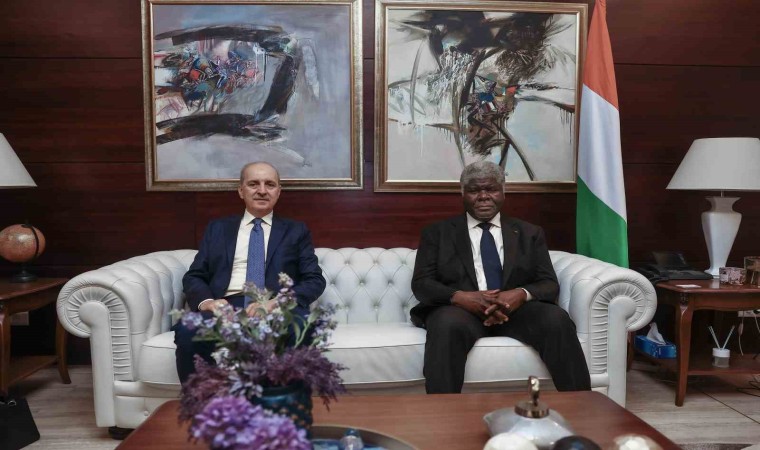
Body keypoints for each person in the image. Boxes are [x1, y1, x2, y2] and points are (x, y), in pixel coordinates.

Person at [411, 160, 590, 394]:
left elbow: (548, 283)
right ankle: (442, 410)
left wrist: (520, 294)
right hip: (461, 312)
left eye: (491, 189)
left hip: (516, 312)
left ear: (503, 192)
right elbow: (422, 284)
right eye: (474, 190)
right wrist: (460, 297)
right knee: (445, 324)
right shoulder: (437, 233)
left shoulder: (529, 233)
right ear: (462, 194)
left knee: (556, 319)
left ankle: (581, 404)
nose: (483, 197)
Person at [175, 162, 326, 382]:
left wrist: (277, 303)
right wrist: (208, 303)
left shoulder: (296, 231)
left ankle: (287, 398)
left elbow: (314, 280)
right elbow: (194, 276)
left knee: (301, 326)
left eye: (270, 184)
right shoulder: (218, 228)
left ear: (278, 191)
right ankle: (201, 399)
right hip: (226, 307)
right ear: (241, 190)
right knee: (188, 330)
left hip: (277, 308)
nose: (262, 190)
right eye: (254, 184)